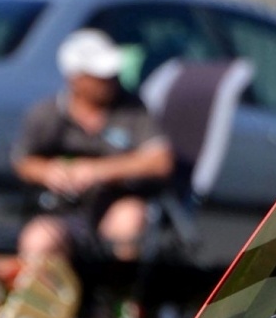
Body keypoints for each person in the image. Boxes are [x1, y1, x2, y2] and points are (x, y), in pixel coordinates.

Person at [12, 29, 173, 265]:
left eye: (111, 74)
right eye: (99, 76)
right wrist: (48, 171)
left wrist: (97, 171)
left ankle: (120, 294)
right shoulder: (47, 114)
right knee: (37, 240)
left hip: (115, 205)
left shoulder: (133, 111)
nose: (109, 81)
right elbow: (23, 161)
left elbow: (160, 161)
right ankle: (47, 298)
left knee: (129, 219)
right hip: (62, 211)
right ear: (75, 78)